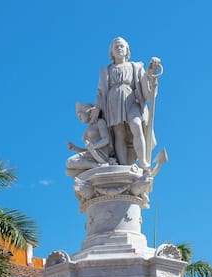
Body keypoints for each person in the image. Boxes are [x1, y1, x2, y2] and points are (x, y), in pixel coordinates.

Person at [91, 37, 159, 173]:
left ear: (127, 50)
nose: (119, 48)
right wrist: (97, 108)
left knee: (136, 125)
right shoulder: (105, 71)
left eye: (122, 46)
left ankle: (143, 161)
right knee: (119, 132)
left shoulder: (135, 66)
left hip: (131, 99)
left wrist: (150, 72)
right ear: (111, 52)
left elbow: (144, 83)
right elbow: (100, 92)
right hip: (113, 102)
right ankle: (123, 166)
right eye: (116, 46)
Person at [66, 102, 114, 177]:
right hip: (92, 154)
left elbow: (106, 139)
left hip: (101, 154)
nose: (79, 118)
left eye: (80, 115)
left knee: (69, 162)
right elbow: (88, 150)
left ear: (87, 111)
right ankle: (96, 167)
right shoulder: (87, 129)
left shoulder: (100, 122)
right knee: (68, 171)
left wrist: (94, 146)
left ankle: (99, 166)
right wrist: (75, 148)